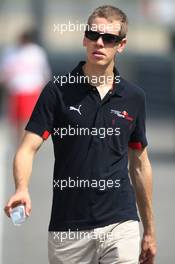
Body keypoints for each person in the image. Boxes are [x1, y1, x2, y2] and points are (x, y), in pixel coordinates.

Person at [4, 5, 156, 264]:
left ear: (121, 45)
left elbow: (140, 164)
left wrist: (149, 231)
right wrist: (21, 188)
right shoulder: (57, 91)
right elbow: (27, 148)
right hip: (68, 229)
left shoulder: (134, 97)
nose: (99, 42)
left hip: (121, 222)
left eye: (109, 38)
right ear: (84, 38)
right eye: (93, 34)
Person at [0, 29, 51, 140]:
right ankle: (18, 143)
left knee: (28, 120)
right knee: (15, 122)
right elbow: (4, 73)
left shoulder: (36, 52)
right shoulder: (10, 52)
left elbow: (44, 73)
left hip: (31, 91)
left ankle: (26, 143)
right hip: (15, 91)